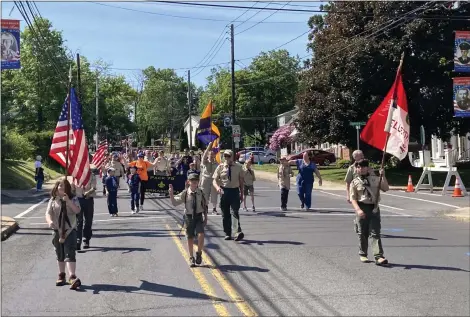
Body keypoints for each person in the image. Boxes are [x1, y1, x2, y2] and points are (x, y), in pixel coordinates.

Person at [350, 159, 389, 266]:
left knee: (375, 232)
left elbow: (386, 188)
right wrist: (358, 210)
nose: (361, 169)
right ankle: (363, 253)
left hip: (374, 208)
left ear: (368, 168)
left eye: (363, 167)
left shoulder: (375, 179)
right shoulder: (354, 182)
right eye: (358, 167)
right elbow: (353, 198)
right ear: (356, 169)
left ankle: (379, 256)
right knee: (362, 232)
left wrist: (383, 176)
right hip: (362, 207)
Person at [45, 178, 82, 289]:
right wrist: (50, 222)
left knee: (70, 252)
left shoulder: (73, 198)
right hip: (57, 230)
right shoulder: (53, 200)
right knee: (59, 253)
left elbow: (77, 211)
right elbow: (48, 213)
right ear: (56, 188)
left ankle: (72, 277)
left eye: (64, 186)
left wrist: (68, 202)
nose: (61, 187)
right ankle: (62, 275)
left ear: (68, 188)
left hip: (70, 230)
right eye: (60, 185)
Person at [169, 173, 208, 267]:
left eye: (196, 181)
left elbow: (205, 206)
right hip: (189, 217)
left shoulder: (201, 192)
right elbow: (174, 203)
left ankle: (199, 253)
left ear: (198, 182)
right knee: (190, 237)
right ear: (188, 182)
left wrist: (206, 218)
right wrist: (171, 194)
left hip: (198, 216)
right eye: (192, 181)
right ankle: (191, 257)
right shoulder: (185, 193)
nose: (194, 183)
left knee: (201, 234)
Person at [213, 150, 245, 241]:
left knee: (235, 212)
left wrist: (242, 193)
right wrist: (217, 188)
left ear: (232, 156)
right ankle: (227, 233)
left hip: (234, 191)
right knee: (225, 213)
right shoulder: (220, 167)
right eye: (225, 156)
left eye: (228, 156)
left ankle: (237, 232)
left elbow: (241, 181)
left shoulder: (238, 167)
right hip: (224, 191)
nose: (227, 158)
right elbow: (214, 180)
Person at [71, 165, 97, 250]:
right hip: (78, 200)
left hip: (88, 200)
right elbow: (72, 189)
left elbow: (93, 187)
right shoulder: (75, 176)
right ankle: (78, 240)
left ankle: (86, 239)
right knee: (79, 221)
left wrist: (88, 193)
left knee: (88, 221)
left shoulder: (91, 175)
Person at [199, 141, 219, 214]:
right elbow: (204, 156)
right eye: (210, 154)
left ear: (214, 155)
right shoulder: (205, 162)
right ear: (208, 155)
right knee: (205, 194)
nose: (211, 155)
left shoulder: (217, 163)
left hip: (213, 180)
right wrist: (209, 146)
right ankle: (205, 207)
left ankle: (214, 208)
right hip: (206, 179)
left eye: (212, 154)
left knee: (214, 194)